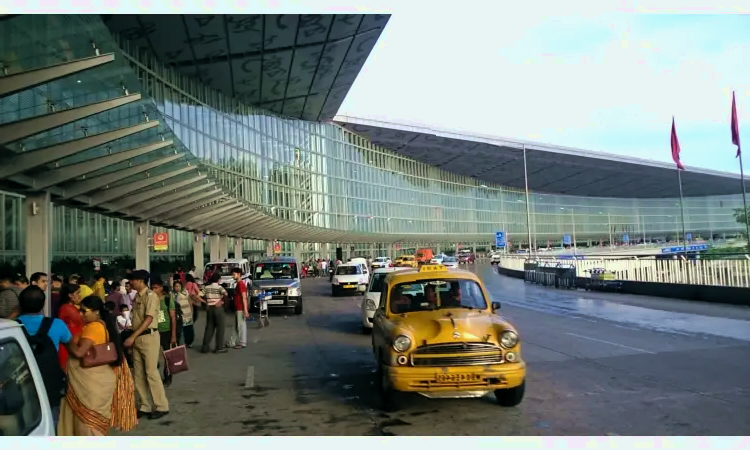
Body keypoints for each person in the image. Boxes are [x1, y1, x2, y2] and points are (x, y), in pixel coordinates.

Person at [57, 295, 137, 436]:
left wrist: (65, 339)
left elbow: (80, 352)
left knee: (88, 425)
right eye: (79, 311)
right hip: (98, 381)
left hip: (90, 385)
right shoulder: (100, 324)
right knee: (93, 426)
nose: (80, 314)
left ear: (96, 311)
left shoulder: (93, 327)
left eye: (84, 311)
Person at [16, 285, 71, 430]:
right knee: (50, 423)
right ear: (43, 304)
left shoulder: (13, 326)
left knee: (23, 426)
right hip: (50, 383)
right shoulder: (57, 324)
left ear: (20, 304)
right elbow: (74, 348)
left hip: (20, 384)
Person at [123, 270, 169, 420]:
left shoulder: (151, 296)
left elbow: (149, 319)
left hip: (149, 337)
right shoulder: (137, 297)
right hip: (137, 337)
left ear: (141, 281)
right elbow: (136, 318)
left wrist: (132, 336)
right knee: (138, 374)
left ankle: (161, 406)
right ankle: (145, 406)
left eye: (133, 280)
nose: (130, 282)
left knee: (151, 372)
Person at [152, 279, 177, 388]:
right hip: (154, 331)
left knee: (168, 356)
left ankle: (168, 377)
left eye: (156, 287)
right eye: (152, 288)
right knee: (153, 357)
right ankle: (155, 378)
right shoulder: (151, 300)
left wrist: (173, 335)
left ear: (161, 288)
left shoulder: (167, 300)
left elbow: (173, 318)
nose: (154, 290)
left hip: (166, 331)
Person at [57, 284, 84, 372]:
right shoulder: (67, 308)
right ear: (70, 295)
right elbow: (83, 319)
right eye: (78, 293)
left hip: (72, 343)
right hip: (68, 346)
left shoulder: (70, 307)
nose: (80, 295)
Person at [201, 272, 227, 354]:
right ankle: (219, 347)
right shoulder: (220, 287)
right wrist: (221, 301)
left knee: (209, 328)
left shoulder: (206, 287)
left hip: (210, 309)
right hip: (218, 309)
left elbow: (198, 295)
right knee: (220, 328)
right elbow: (226, 294)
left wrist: (206, 302)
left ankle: (205, 347)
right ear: (218, 280)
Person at [226, 268, 248, 350]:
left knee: (240, 326)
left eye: (234, 274)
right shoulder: (238, 284)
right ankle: (232, 342)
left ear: (239, 274)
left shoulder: (241, 284)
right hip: (237, 308)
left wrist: (245, 310)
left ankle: (242, 342)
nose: (232, 276)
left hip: (240, 308)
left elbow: (244, 297)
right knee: (236, 326)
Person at [172, 281, 194, 348]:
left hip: (187, 314)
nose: (177, 288)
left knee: (189, 329)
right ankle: (180, 344)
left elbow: (189, 301)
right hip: (180, 315)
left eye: (178, 286)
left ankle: (189, 342)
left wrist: (192, 310)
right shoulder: (172, 294)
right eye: (176, 286)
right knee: (180, 330)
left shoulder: (185, 292)